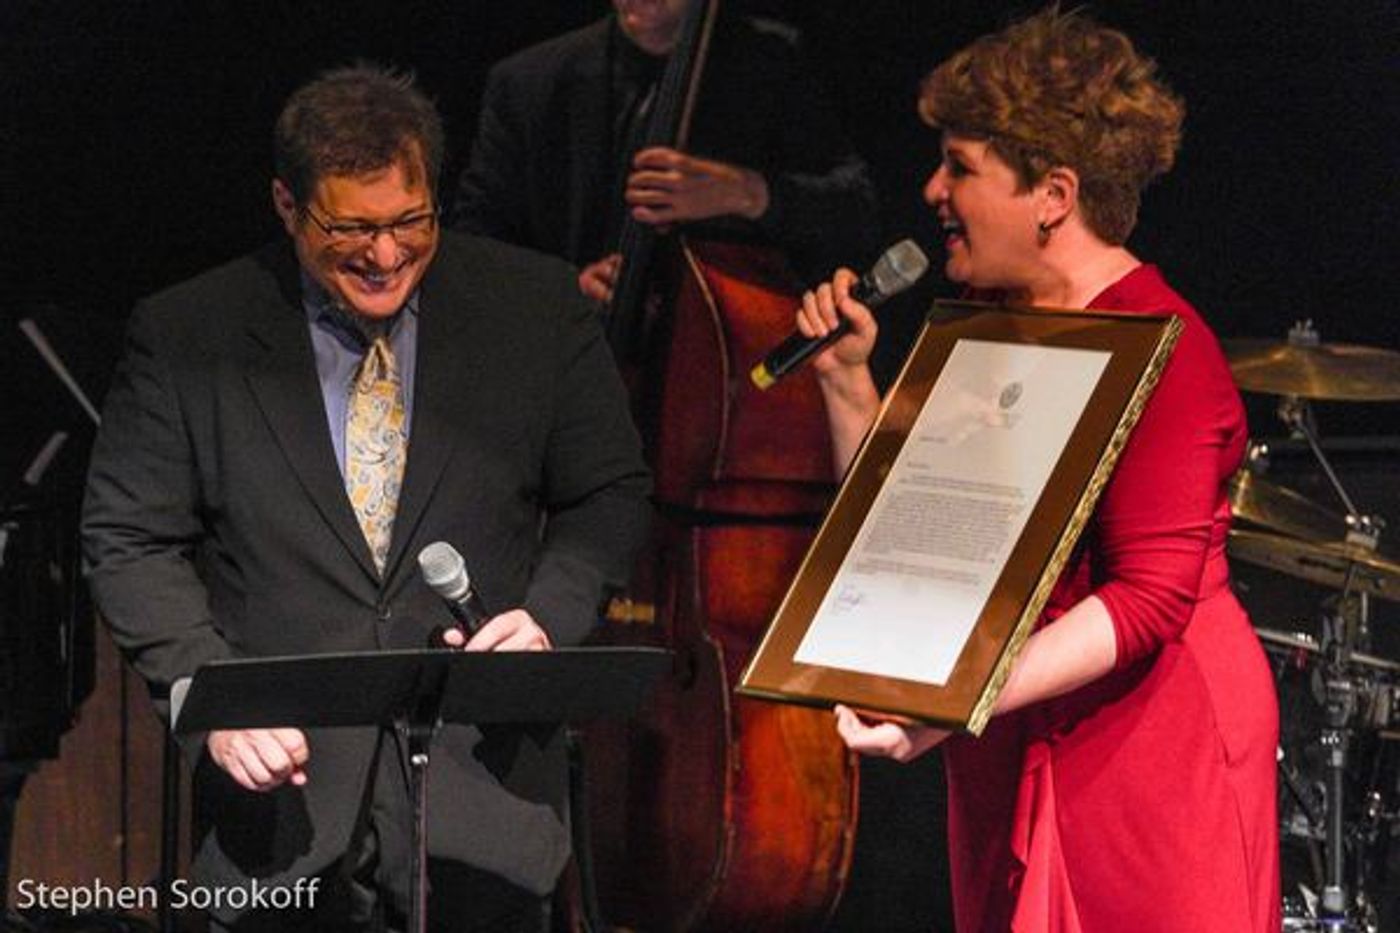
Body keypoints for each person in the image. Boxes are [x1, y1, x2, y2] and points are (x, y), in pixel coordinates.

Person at [81, 65, 650, 932]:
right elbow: (128, 538)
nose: (385, 256)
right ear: (287, 204)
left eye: (410, 222)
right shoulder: (188, 332)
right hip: (279, 819)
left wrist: (547, 615)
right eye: (351, 228)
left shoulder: (536, 308)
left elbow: (608, 491)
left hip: (484, 800)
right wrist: (211, 694)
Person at [797, 9, 1280, 931]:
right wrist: (847, 383)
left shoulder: (1168, 348)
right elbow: (905, 533)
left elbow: (1147, 598)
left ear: (1053, 194)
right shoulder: (991, 324)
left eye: (960, 167)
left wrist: (950, 698)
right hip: (1008, 716)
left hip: (1145, 743)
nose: (932, 189)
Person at [453, 0, 880, 302]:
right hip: (565, 360)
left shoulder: (773, 64)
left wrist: (750, 192)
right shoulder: (528, 83)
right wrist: (567, 290)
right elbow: (474, 244)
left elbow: (857, 214)